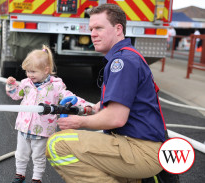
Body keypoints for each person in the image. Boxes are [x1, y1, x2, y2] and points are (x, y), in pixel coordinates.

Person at [45, 4, 167, 183]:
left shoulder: (122, 62)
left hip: (140, 150)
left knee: (57, 145)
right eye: (91, 29)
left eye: (99, 28)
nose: (92, 34)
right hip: (137, 146)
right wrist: (92, 109)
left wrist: (79, 121)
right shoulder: (128, 57)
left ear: (118, 29)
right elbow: (118, 105)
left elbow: (116, 118)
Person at [6, 45, 92, 183]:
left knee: (38, 156)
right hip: (24, 127)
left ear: (46, 70)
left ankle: (36, 178)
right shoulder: (26, 83)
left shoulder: (56, 86)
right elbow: (16, 95)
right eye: (27, 71)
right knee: (21, 154)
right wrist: (11, 86)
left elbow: (68, 96)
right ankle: (19, 175)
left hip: (42, 130)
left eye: (33, 71)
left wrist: (83, 105)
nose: (29, 75)